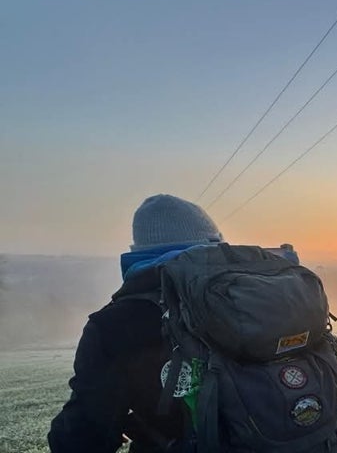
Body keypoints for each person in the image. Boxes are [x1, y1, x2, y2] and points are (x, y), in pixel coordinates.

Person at [49, 194, 225, 453]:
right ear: (214, 242)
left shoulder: (115, 324)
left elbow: (85, 435)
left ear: (137, 251)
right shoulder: (264, 297)